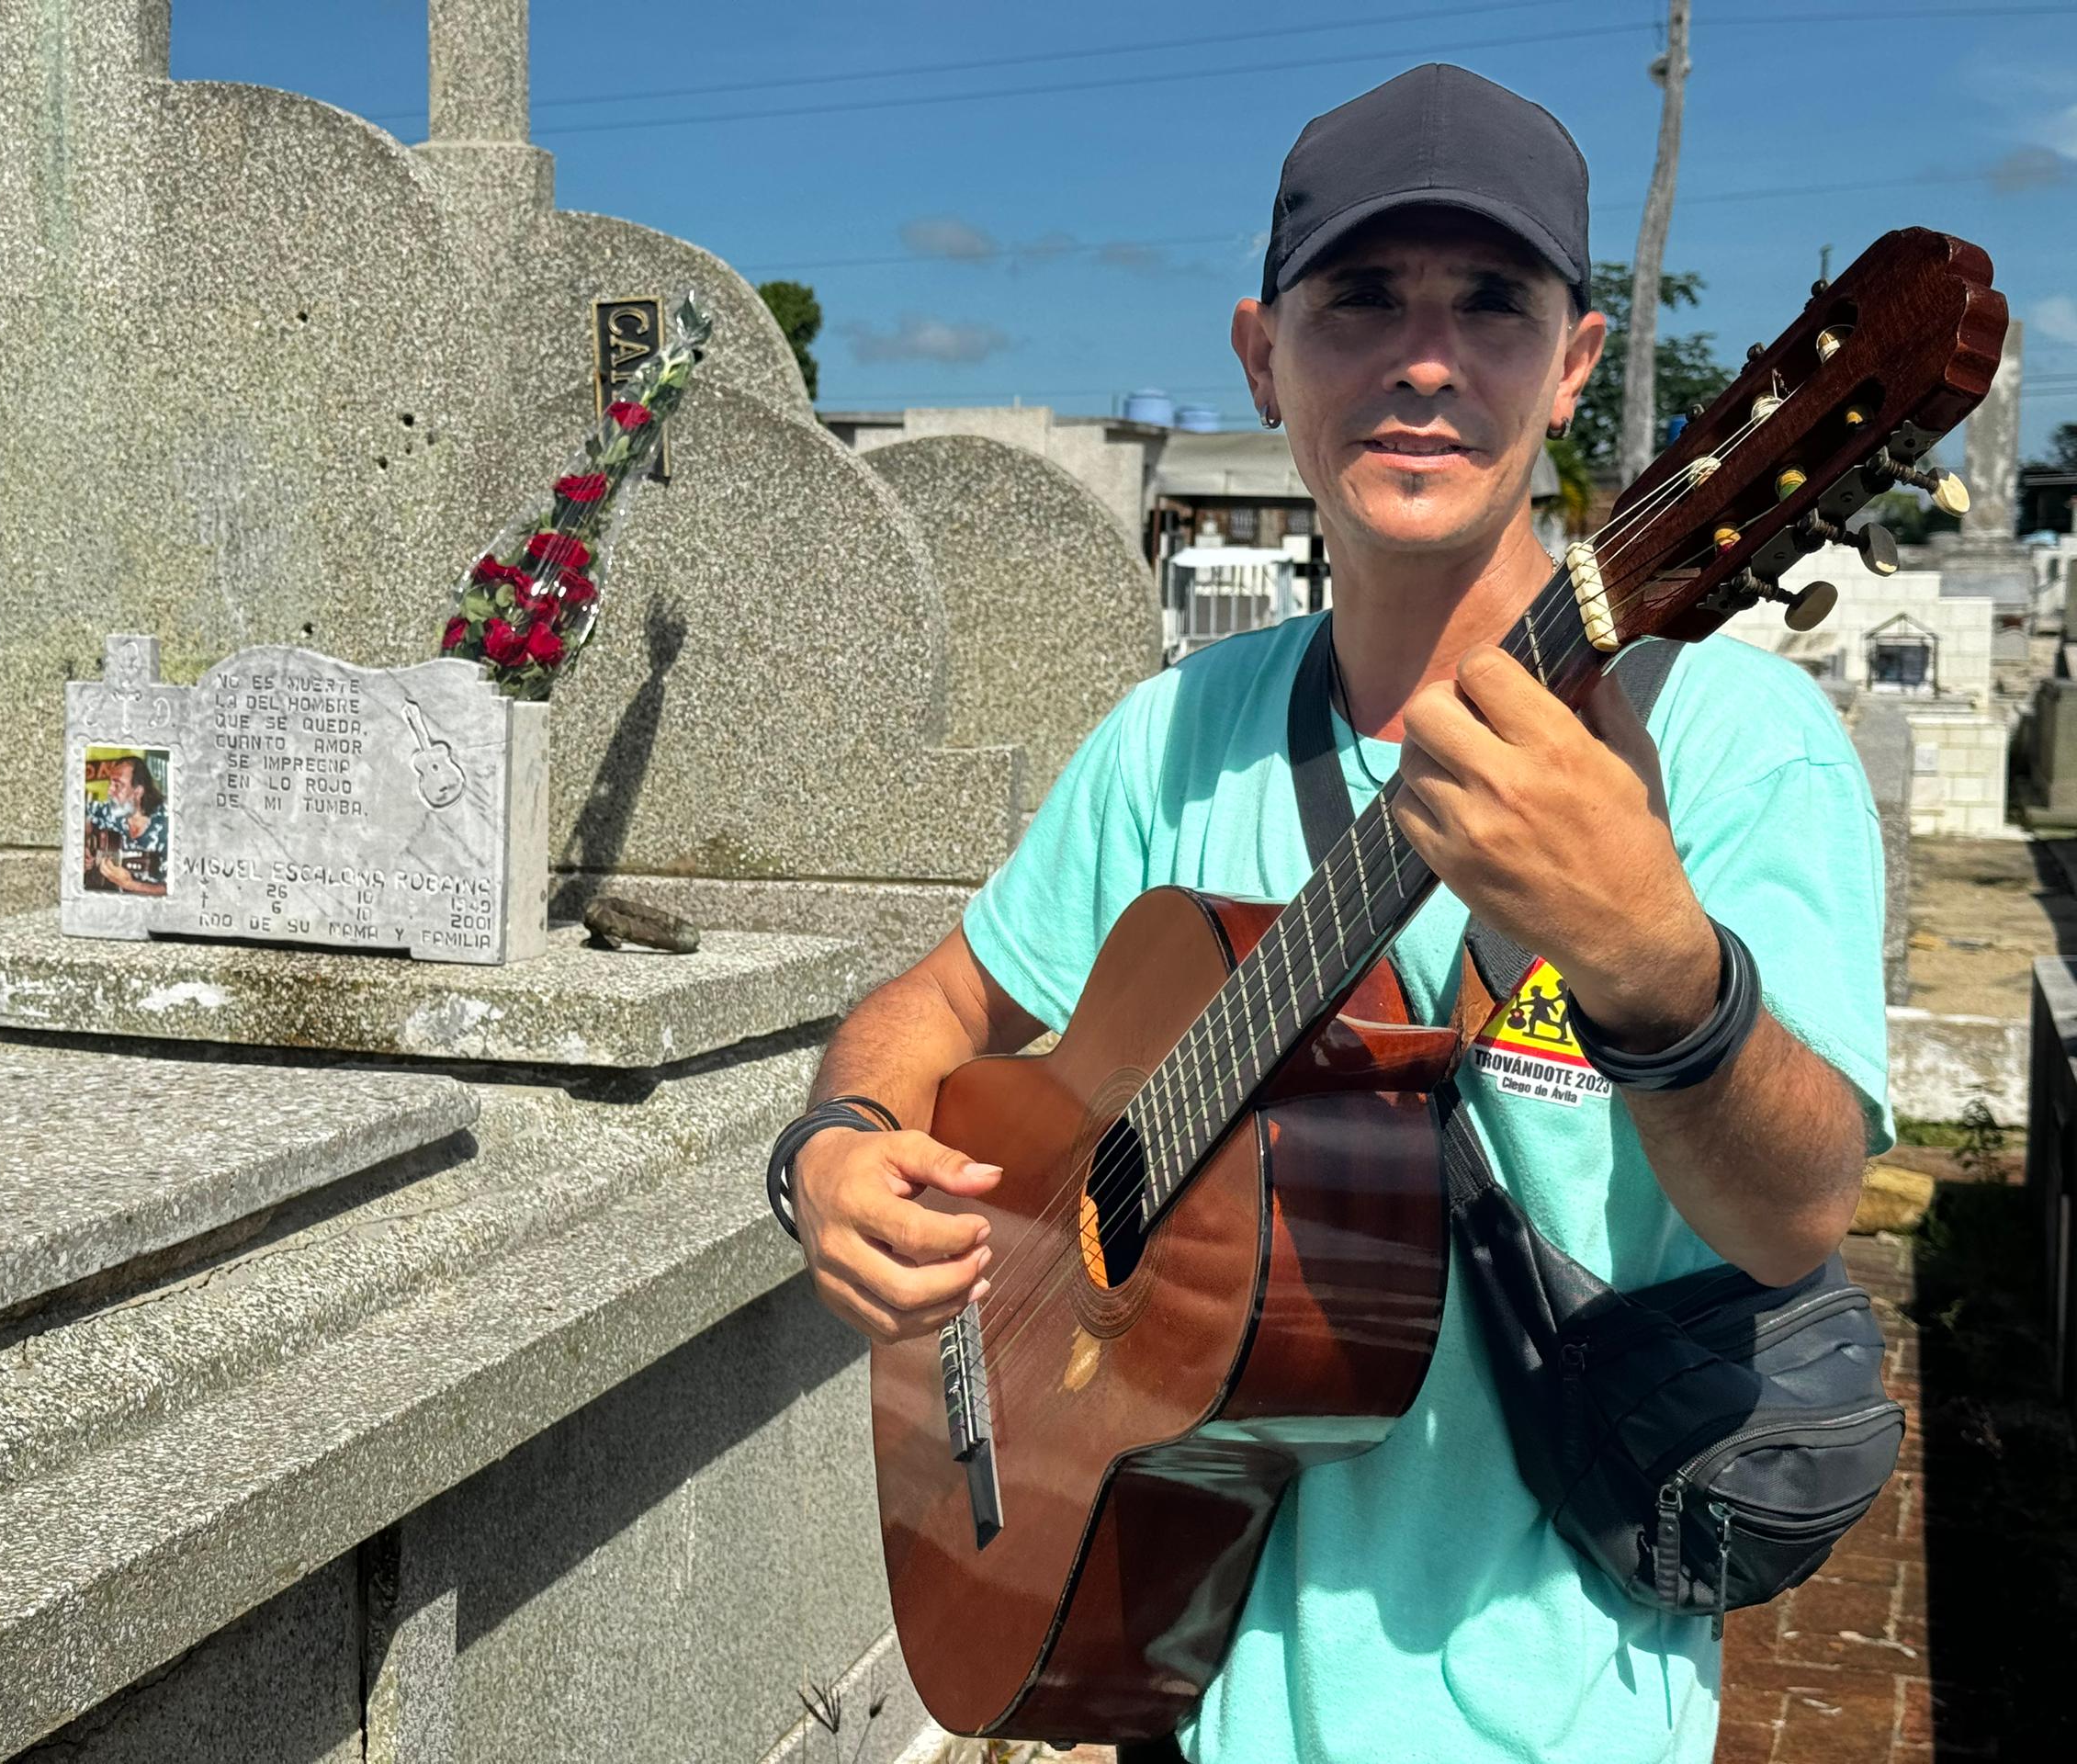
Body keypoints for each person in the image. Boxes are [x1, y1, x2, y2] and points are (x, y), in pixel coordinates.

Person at [775, 62, 1890, 1764]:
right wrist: (837, 1148)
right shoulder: (1176, 731)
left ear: (1576, 365)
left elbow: (1798, 1212)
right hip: (1166, 1679)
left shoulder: (1734, 746)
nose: (1426, 359)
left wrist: (1662, 971)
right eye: (1360, 297)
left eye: (1493, 304)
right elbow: (938, 1008)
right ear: (1261, 353)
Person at [87, 752, 169, 896]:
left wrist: (130, 885)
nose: (110, 791)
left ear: (138, 792)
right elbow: (77, 817)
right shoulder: (109, 811)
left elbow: (178, 889)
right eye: (110, 784)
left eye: (117, 785)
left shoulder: (167, 824)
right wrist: (81, 849)